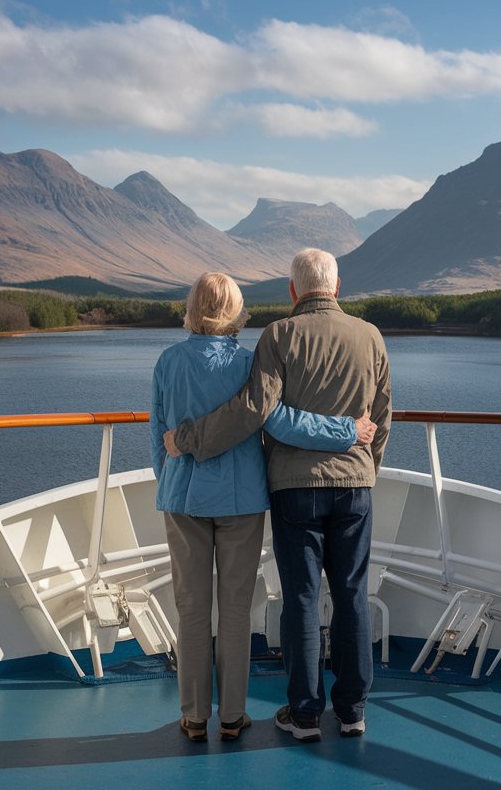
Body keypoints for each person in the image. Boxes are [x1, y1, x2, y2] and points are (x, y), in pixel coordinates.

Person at [165, 249, 391, 743]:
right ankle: (352, 712)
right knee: (352, 596)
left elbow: (257, 409)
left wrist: (187, 442)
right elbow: (382, 417)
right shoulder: (371, 336)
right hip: (353, 485)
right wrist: (362, 468)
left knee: (302, 599)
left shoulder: (279, 336)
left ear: (293, 291)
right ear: (337, 286)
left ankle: (304, 715)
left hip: (293, 489)